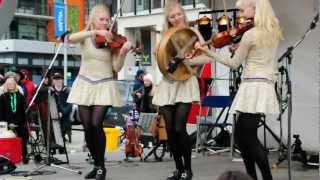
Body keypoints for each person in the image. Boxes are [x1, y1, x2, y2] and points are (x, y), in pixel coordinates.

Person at [190, 0, 282, 179]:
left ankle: (264, 177)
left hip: (252, 86)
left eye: (242, 9)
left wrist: (208, 52)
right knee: (243, 137)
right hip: (263, 85)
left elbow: (233, 63)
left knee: (248, 139)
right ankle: (251, 177)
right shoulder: (272, 32)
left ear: (255, 9)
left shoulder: (250, 35)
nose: (240, 13)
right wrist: (241, 48)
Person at [67, 4, 132, 180]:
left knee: (96, 124)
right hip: (85, 84)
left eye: (107, 20)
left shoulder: (113, 41)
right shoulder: (86, 37)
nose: (105, 23)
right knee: (87, 127)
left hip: (104, 85)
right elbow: (71, 38)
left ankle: (102, 166)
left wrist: (123, 53)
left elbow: (116, 67)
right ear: (93, 20)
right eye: (102, 19)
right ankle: (96, 164)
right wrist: (93, 32)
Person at [152, 1, 208, 180]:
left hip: (185, 82)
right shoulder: (166, 34)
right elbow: (159, 57)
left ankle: (188, 169)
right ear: (168, 19)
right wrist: (158, 52)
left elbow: (207, 57)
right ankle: (178, 168)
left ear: (183, 14)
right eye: (172, 16)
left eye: (178, 14)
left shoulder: (193, 32)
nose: (176, 18)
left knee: (179, 127)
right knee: (170, 129)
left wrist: (188, 62)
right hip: (168, 83)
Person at [0, 78, 29, 164]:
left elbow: (23, 111)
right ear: (6, 85)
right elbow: (1, 112)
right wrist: (9, 123)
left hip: (19, 122)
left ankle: (24, 155)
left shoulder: (21, 96)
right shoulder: (2, 97)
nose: (10, 85)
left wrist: (18, 122)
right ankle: (7, 157)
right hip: (7, 123)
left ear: (15, 85)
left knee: (23, 135)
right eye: (8, 84)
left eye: (12, 83)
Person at [50, 73, 72, 144]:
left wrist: (62, 113)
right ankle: (55, 142)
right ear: (53, 81)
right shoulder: (51, 90)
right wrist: (55, 113)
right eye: (56, 79)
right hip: (53, 114)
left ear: (62, 80)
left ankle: (61, 142)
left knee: (65, 124)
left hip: (64, 115)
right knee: (51, 126)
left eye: (59, 79)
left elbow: (69, 105)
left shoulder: (67, 90)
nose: (57, 81)